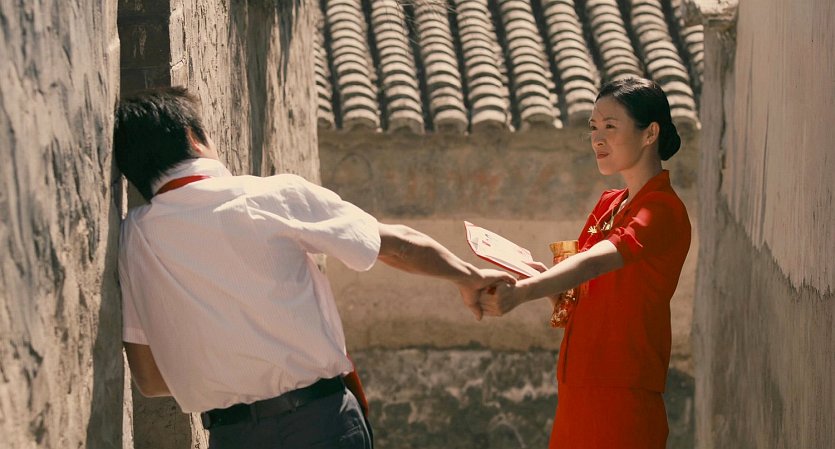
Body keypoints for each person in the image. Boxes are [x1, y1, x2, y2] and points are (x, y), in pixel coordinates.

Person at [114, 86, 514, 449]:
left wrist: (229, 373)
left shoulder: (134, 238)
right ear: (194, 138)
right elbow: (399, 246)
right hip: (318, 424)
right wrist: (469, 277)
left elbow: (150, 379)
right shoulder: (269, 195)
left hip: (232, 436)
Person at [479, 77, 692, 449]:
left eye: (610, 126)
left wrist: (524, 291)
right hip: (576, 384)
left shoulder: (661, 209)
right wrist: (543, 280)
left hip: (622, 391)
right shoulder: (609, 204)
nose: (597, 139)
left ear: (650, 133)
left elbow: (594, 262)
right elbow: (578, 300)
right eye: (593, 127)